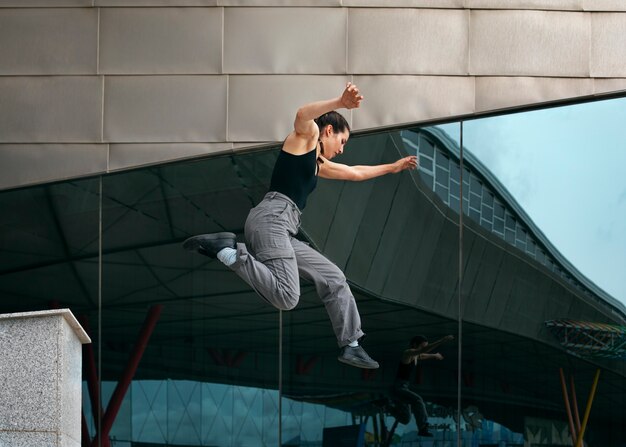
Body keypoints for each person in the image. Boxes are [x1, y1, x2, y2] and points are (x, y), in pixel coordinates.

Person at [183, 82, 418, 369]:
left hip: (283, 227)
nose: (342, 151)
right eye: (343, 142)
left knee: (334, 278)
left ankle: (351, 345)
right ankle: (228, 251)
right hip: (272, 218)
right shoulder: (307, 138)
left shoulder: (317, 163)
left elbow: (356, 173)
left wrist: (393, 167)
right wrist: (340, 102)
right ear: (329, 131)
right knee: (287, 296)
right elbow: (303, 114)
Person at [389, 334, 454, 437]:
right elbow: (422, 352)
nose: (424, 349)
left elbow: (422, 355)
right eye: (422, 346)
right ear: (415, 344)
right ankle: (423, 428)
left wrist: (434, 355)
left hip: (403, 388)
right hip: (399, 388)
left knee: (405, 419)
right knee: (418, 400)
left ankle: (386, 407)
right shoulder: (408, 353)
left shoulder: (415, 355)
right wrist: (441, 341)